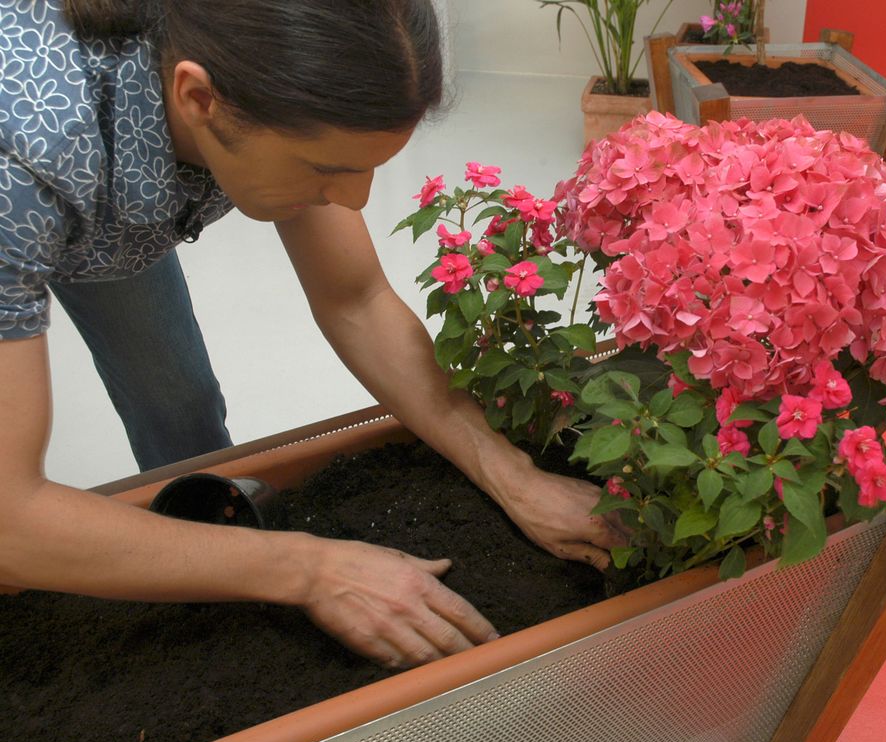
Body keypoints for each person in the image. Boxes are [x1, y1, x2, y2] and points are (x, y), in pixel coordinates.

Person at [0, 0, 625, 669]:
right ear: (198, 98)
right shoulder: (24, 156)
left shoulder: (240, 50)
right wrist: (309, 570)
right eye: (324, 169)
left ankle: (207, 530)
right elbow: (9, 517)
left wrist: (513, 474)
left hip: (99, 202)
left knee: (178, 394)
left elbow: (355, 299)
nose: (356, 201)